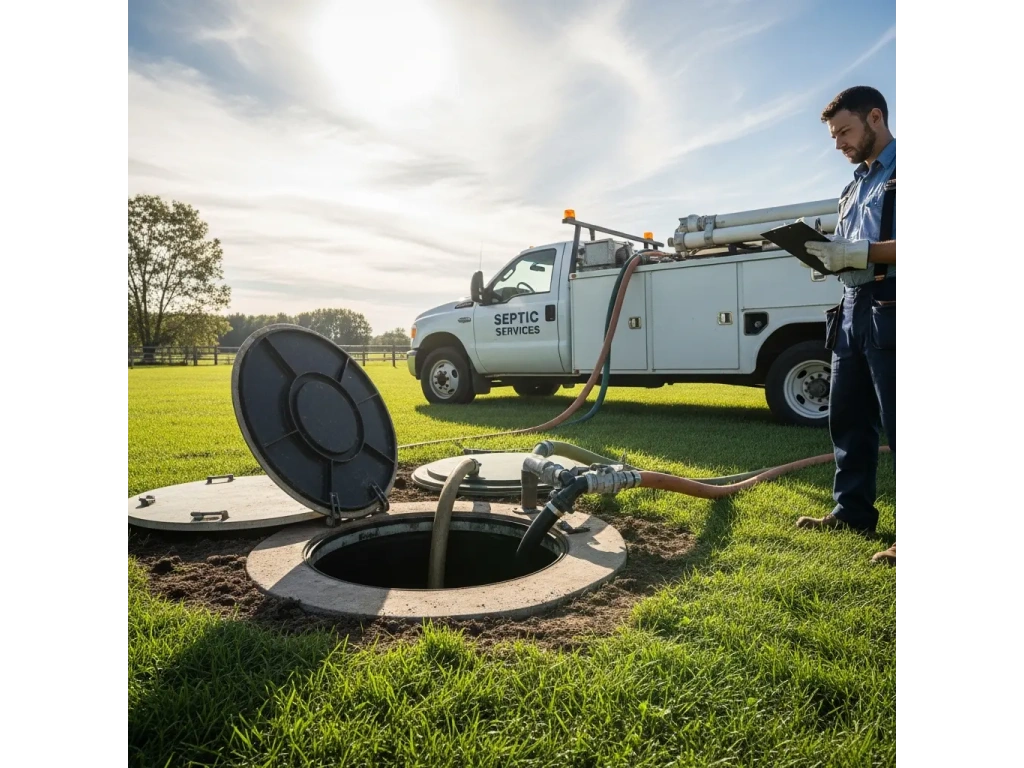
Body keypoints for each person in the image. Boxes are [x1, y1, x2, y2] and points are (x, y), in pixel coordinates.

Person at [794, 85, 896, 566]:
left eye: (844, 132)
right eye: (834, 136)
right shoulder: (852, 187)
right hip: (852, 306)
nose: (838, 144)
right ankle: (851, 512)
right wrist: (827, 256)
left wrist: (859, 254)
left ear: (875, 117)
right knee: (848, 418)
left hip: (892, 303)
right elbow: (850, 249)